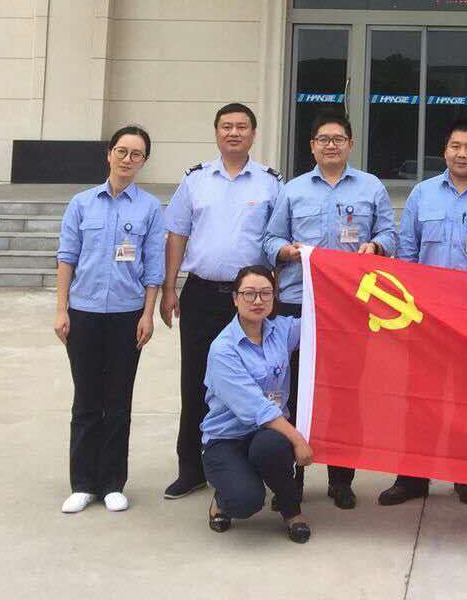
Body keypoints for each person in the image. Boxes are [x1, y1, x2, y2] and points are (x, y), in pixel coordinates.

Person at [263, 110, 398, 510]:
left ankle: (341, 480)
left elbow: (390, 234)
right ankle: (292, 480)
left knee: (344, 393)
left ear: (350, 144)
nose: (331, 145)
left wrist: (376, 246)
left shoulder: (371, 187)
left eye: (338, 139)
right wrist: (287, 251)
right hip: (297, 302)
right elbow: (270, 239)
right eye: (323, 139)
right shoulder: (293, 190)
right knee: (292, 391)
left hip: (350, 306)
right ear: (312, 146)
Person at [378, 118, 467, 508]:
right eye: (455, 146)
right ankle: (412, 478)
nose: (461, 154)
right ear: (444, 150)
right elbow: (406, 253)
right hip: (425, 316)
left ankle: (466, 475)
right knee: (419, 398)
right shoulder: (422, 193)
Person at [160, 102, 283, 501]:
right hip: (201, 293)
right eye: (226, 126)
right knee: (196, 380)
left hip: (251, 298)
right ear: (216, 132)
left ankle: (248, 464)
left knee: (256, 381)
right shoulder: (195, 180)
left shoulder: (270, 183)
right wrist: (169, 288)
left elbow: (277, 239)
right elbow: (177, 234)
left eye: (241, 127)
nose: (234, 133)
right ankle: (191, 467)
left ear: (253, 134)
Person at [54, 125, 166, 514]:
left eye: (136, 154)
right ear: (109, 154)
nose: (127, 159)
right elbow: (67, 257)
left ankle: (113, 483)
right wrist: (61, 309)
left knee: (118, 401)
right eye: (122, 151)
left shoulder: (150, 208)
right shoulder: (81, 203)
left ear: (144, 161)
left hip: (127, 315)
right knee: (86, 400)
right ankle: (83, 484)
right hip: (83, 313)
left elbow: (154, 266)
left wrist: (148, 314)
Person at [201, 265, 313, 544]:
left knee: (271, 446)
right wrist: (298, 440)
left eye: (265, 293)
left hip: (265, 436)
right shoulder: (223, 348)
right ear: (235, 299)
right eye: (249, 294)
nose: (258, 300)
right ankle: (223, 497)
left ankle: (292, 511)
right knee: (245, 501)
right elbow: (256, 408)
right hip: (227, 438)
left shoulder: (282, 329)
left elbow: (321, 324)